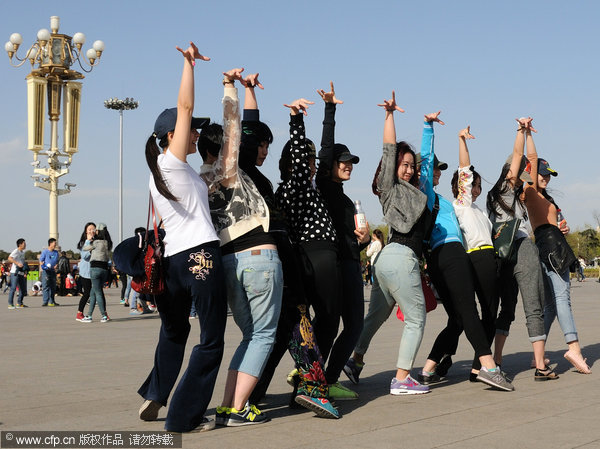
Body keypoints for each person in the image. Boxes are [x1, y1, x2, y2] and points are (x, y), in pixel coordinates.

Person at [137, 42, 226, 434]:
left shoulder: (167, 171)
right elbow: (186, 107)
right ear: (173, 134)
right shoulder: (171, 163)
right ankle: (183, 415)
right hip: (200, 258)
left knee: (174, 330)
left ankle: (157, 391)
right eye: (190, 130)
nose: (197, 135)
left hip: (173, 263)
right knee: (211, 340)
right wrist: (189, 65)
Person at [199, 69, 283, 426]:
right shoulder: (228, 170)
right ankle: (238, 407)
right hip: (259, 255)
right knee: (264, 335)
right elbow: (235, 126)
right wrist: (229, 86)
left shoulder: (196, 179)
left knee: (250, 335)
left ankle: (228, 403)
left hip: (229, 261)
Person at [417, 111, 513, 391]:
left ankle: (429, 369)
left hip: (449, 258)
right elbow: (437, 166)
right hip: (450, 255)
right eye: (433, 169)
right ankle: (487, 367)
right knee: (472, 313)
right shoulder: (434, 197)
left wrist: (461, 141)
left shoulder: (450, 203)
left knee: (459, 318)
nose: (435, 172)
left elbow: (464, 175)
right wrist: (428, 127)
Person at [344, 91, 430, 395]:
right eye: (403, 164)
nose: (408, 168)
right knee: (416, 320)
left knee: (377, 315)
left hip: (385, 260)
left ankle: (354, 361)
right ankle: (402, 378)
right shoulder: (390, 188)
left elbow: (426, 164)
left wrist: (429, 130)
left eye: (411, 165)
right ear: (392, 167)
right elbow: (389, 148)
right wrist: (390, 115)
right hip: (401, 255)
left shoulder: (415, 190)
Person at [517, 118, 590, 374]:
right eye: (542, 174)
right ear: (531, 174)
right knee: (562, 298)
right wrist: (526, 133)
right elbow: (531, 159)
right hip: (551, 247)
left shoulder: (542, 196)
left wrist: (562, 226)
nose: (546, 178)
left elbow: (553, 220)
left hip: (547, 245)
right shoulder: (530, 190)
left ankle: (538, 356)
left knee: (550, 304)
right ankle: (574, 347)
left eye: (549, 175)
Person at [487, 118, 556, 380]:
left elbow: (531, 159)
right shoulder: (507, 188)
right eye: (520, 174)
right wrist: (521, 132)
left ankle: (497, 359)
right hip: (520, 247)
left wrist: (527, 135)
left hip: (501, 254)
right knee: (533, 305)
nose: (525, 180)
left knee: (507, 308)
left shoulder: (495, 197)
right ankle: (540, 365)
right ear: (510, 172)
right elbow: (522, 156)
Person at [314, 82, 370, 400]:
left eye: (350, 161)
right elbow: (325, 148)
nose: (347, 165)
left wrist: (361, 241)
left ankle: (328, 376)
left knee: (354, 326)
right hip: (333, 266)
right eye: (342, 160)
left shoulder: (348, 202)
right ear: (331, 165)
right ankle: (315, 377)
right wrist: (330, 109)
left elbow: (353, 241)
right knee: (331, 324)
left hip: (351, 263)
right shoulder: (323, 186)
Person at [449, 126, 500, 381]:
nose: (475, 188)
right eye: (473, 185)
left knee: (491, 313)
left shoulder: (478, 209)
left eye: (478, 185)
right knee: (484, 312)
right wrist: (461, 140)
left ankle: (477, 365)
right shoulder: (461, 203)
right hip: (477, 256)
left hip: (490, 256)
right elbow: (464, 171)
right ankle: (482, 363)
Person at [81, 223, 112, 323]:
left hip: (95, 269)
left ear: (98, 231)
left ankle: (104, 315)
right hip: (104, 269)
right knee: (93, 292)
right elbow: (107, 257)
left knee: (97, 292)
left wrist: (88, 240)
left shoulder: (95, 242)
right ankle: (89, 315)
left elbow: (84, 249)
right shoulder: (107, 243)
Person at [75, 223, 95, 321]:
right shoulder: (84, 243)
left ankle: (101, 314)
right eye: (90, 229)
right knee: (87, 293)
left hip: (94, 271)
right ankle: (79, 313)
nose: (92, 231)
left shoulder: (96, 242)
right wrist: (88, 241)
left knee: (95, 293)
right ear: (86, 231)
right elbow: (85, 256)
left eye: (93, 229)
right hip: (86, 272)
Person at [7, 238, 27, 309]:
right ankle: (10, 304)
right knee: (13, 288)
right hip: (15, 272)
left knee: (23, 288)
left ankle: (19, 303)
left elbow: (22, 262)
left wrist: (25, 271)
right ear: (20, 244)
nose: (25, 244)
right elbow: (9, 258)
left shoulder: (23, 252)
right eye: (24, 243)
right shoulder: (16, 251)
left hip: (21, 272)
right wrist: (17, 263)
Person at [40, 238, 60, 307]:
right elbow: (41, 261)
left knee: (53, 287)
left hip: (53, 271)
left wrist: (56, 265)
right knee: (46, 286)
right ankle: (45, 301)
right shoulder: (45, 252)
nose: (55, 245)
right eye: (54, 243)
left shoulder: (56, 252)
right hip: (46, 271)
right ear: (50, 244)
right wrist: (44, 266)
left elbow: (57, 261)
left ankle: (52, 301)